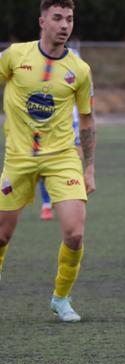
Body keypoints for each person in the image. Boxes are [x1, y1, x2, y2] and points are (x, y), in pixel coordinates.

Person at [0, 0, 97, 322]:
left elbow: (87, 120)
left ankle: (61, 298)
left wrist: (90, 167)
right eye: (57, 18)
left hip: (62, 157)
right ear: (42, 21)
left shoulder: (79, 69)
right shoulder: (15, 55)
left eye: (69, 19)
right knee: (2, 234)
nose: (64, 25)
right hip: (19, 157)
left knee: (75, 234)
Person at [36, 45, 84, 222]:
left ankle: (66, 196)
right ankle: (47, 203)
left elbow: (81, 87)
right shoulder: (34, 56)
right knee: (43, 162)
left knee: (75, 160)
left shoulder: (74, 55)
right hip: (45, 120)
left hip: (71, 119)